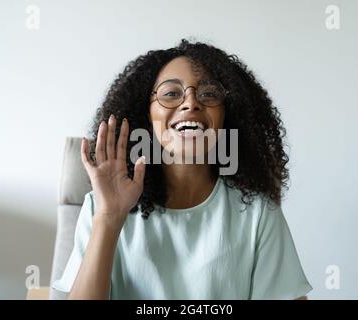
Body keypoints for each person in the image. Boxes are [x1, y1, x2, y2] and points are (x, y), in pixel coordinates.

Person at [52, 39, 312, 300]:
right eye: (171, 94)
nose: (190, 103)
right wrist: (109, 217)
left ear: (228, 114)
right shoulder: (102, 205)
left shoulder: (257, 212)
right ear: (145, 114)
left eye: (209, 93)